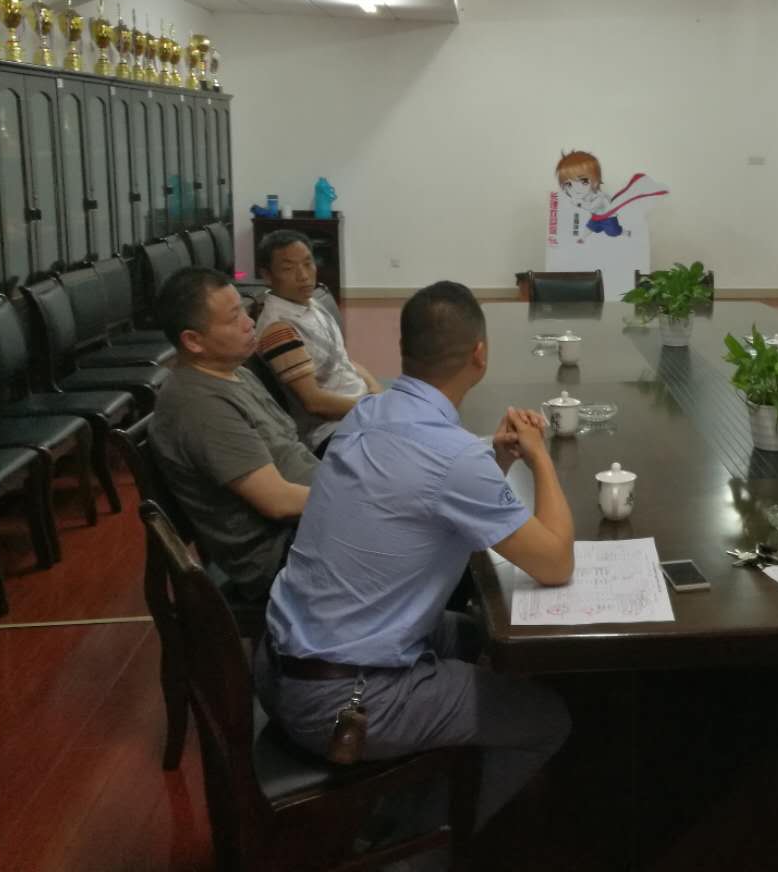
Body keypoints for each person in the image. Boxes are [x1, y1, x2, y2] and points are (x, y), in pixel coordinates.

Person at [256, 281, 573, 829]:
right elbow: (556, 563)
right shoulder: (454, 459)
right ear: (480, 354)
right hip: (345, 702)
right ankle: (413, 844)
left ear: (405, 349)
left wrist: (496, 457)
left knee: (479, 633)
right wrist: (539, 457)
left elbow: (421, 486)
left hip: (278, 664)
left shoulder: (367, 413)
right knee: (548, 719)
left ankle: (429, 770)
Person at [150, 267, 319, 602]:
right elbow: (278, 502)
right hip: (285, 554)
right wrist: (357, 498)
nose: (249, 322)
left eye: (244, 310)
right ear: (193, 341)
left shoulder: (235, 371)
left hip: (310, 521)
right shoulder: (200, 407)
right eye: (233, 318)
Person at [254, 229, 383, 453]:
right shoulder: (279, 328)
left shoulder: (311, 303)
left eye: (308, 263)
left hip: (360, 410)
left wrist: (376, 393)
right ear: (267, 275)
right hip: (333, 432)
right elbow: (314, 402)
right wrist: (372, 408)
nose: (303, 275)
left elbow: (345, 361)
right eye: (288, 268)